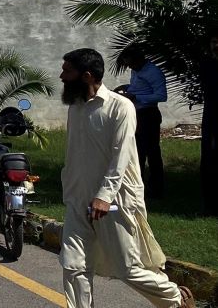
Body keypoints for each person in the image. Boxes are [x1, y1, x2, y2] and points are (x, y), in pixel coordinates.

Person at [58, 48, 194, 308]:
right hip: (77, 197)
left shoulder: (120, 107)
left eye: (67, 71)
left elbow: (121, 156)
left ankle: (175, 297)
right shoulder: (75, 108)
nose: (62, 76)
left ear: (86, 76)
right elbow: (75, 152)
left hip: (113, 201)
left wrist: (103, 197)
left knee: (128, 268)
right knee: (73, 265)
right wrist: (70, 186)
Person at [117, 46, 168, 199]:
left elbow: (161, 95)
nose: (130, 67)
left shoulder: (153, 72)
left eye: (131, 63)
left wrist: (136, 98)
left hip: (148, 114)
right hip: (136, 113)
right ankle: (136, 186)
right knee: (136, 151)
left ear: (139, 59)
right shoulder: (136, 71)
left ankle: (156, 188)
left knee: (151, 152)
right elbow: (139, 88)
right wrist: (127, 88)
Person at [198, 33, 218, 216]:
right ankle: (209, 202)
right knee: (209, 156)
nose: (216, 45)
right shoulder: (206, 63)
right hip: (211, 115)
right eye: (213, 41)